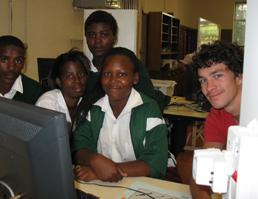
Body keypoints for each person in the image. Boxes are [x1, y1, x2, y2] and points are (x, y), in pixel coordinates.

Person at [71, 47, 168, 182]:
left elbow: (156, 163)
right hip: (102, 185)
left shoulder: (149, 109)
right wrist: (94, 159)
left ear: (135, 78)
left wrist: (103, 169)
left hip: (139, 181)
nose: (113, 80)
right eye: (107, 74)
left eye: (121, 74)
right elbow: (79, 146)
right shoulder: (92, 108)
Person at [189, 41, 244, 199]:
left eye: (217, 76)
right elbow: (201, 172)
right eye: (203, 80)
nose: (209, 88)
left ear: (239, 77)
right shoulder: (216, 117)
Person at [84, 10, 157, 102]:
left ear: (114, 38)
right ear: (86, 38)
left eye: (104, 35)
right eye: (92, 35)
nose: (97, 40)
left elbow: (149, 103)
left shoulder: (131, 65)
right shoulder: (81, 69)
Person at [35, 49, 90, 134]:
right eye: (69, 76)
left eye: (81, 74)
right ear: (59, 81)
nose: (77, 80)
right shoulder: (47, 103)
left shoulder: (85, 105)